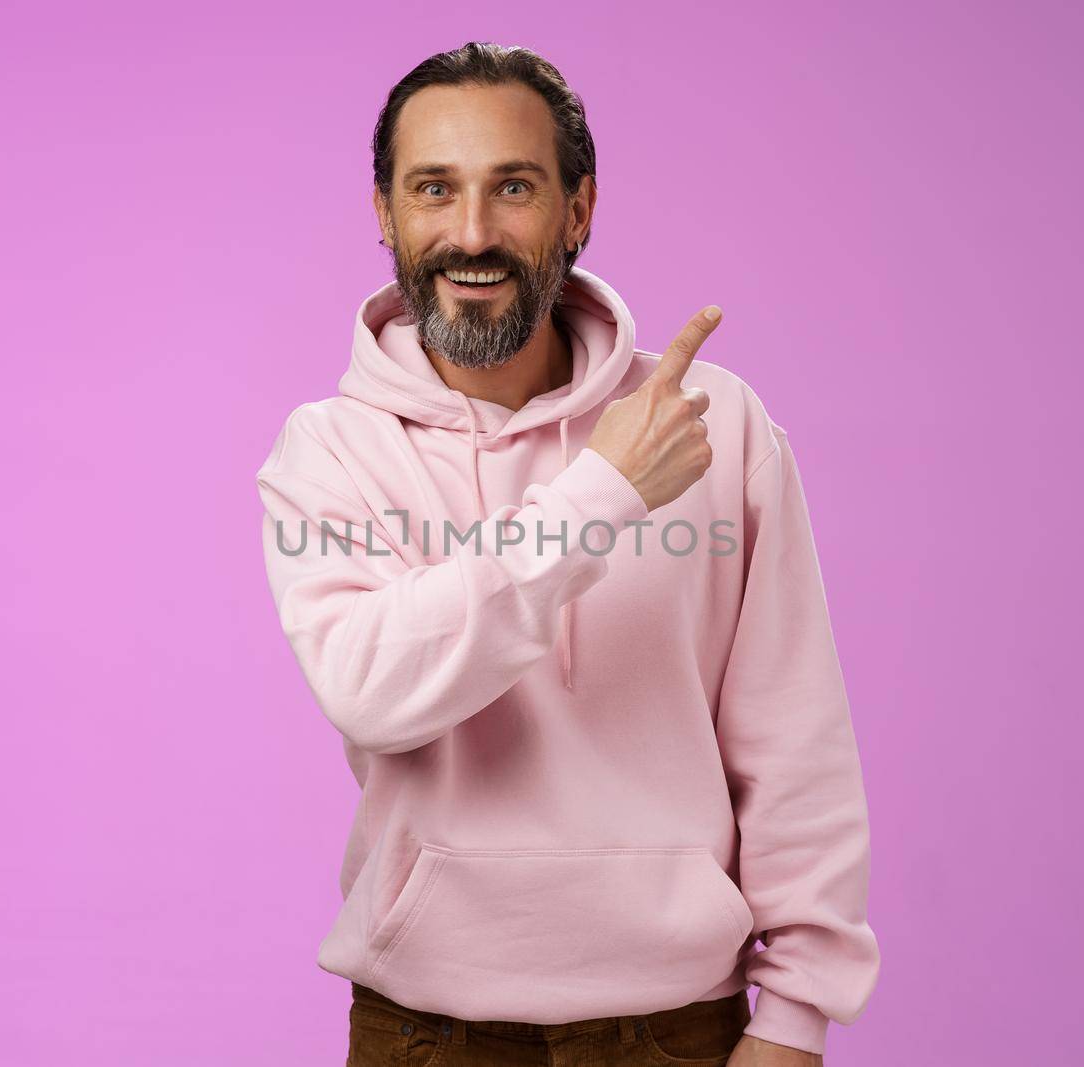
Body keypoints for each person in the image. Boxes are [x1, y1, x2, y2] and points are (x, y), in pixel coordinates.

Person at [256, 41, 880, 1066]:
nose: (471, 232)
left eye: (513, 187)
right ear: (384, 213)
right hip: (424, 1033)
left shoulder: (706, 420)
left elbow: (793, 732)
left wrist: (798, 1014)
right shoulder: (327, 451)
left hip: (677, 1031)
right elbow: (370, 687)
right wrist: (601, 494)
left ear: (578, 210)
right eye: (433, 189)